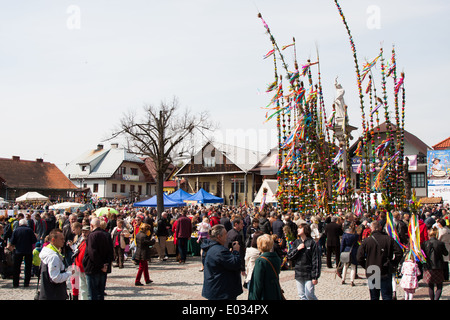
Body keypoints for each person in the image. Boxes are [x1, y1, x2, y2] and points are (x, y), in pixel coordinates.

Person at [356, 220, 403, 300]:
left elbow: (359, 257)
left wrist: (366, 265)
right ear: (380, 228)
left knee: (374, 296)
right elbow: (399, 252)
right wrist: (393, 263)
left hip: (372, 269)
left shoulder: (367, 241)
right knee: (387, 296)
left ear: (371, 228)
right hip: (385, 269)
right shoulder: (388, 239)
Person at [201, 224, 243, 300]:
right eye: (225, 234)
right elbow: (235, 263)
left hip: (216, 287)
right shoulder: (219, 251)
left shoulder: (210, 247)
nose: (227, 236)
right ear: (219, 237)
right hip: (221, 291)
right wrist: (236, 251)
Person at [287, 223, 321, 300]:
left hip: (309, 272)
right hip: (299, 272)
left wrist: (315, 276)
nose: (298, 229)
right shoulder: (296, 242)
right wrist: (297, 249)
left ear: (305, 230)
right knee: (302, 296)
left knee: (309, 294)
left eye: (300, 228)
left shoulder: (312, 243)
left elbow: (316, 260)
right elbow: (289, 256)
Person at [82, 217, 114, 300]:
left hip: (93, 268)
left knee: (92, 294)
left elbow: (92, 253)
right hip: (103, 267)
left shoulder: (92, 235)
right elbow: (111, 252)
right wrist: (106, 264)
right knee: (100, 293)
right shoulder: (106, 235)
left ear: (91, 226)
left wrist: (101, 265)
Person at [38, 228, 74, 300]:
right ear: (53, 240)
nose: (64, 241)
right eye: (61, 239)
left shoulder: (46, 250)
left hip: (47, 293)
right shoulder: (53, 256)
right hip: (54, 294)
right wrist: (69, 273)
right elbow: (55, 278)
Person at [248, 233, 283, 300]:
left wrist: (255, 297)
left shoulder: (260, 261)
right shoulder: (276, 258)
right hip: (275, 291)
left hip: (265, 293)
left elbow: (258, 283)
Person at [8, 218, 37, 288]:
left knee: (16, 268)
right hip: (28, 251)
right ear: (26, 224)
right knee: (28, 267)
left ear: (20, 224)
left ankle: (15, 283)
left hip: (18, 251)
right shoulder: (29, 230)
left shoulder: (16, 230)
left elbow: (12, 241)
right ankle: (26, 283)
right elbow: (34, 240)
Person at [421, 227, 449, 300]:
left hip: (428, 266)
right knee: (439, 285)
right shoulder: (440, 243)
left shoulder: (425, 243)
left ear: (429, 235)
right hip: (438, 266)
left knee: (430, 285)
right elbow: (446, 253)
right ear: (437, 235)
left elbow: (422, 254)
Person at [73, 225, 90, 300]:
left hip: (86, 268)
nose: (84, 234)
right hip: (79, 267)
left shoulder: (90, 241)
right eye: (83, 232)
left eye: (86, 232)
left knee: (88, 289)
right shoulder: (82, 241)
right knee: (82, 288)